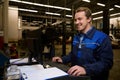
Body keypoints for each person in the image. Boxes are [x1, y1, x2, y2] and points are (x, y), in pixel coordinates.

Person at [52, 7, 113, 80]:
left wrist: (86, 69)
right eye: (75, 20)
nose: (76, 22)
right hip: (76, 76)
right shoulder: (76, 37)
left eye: (80, 19)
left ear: (89, 19)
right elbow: (73, 54)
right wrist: (63, 59)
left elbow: (106, 63)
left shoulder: (102, 38)